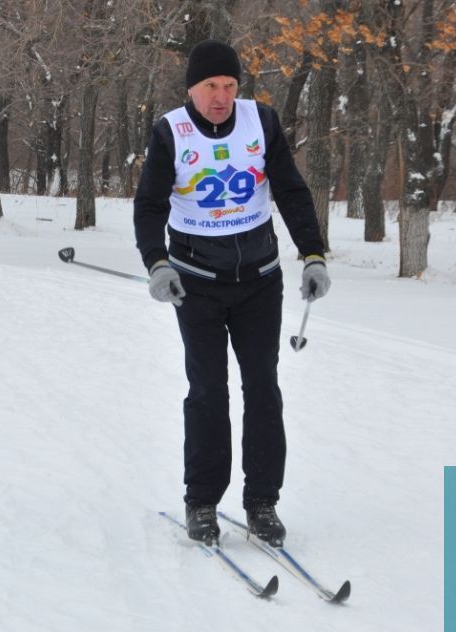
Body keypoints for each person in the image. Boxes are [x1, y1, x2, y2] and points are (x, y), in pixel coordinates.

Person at [134, 40, 331, 547]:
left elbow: (289, 189)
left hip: (259, 282)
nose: (221, 96)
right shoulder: (170, 132)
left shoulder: (260, 123)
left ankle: (262, 501)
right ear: (192, 90)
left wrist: (313, 254)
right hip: (194, 283)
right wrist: (157, 264)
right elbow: (150, 205)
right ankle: (201, 502)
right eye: (210, 87)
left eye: (229, 86)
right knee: (207, 392)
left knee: (262, 387)